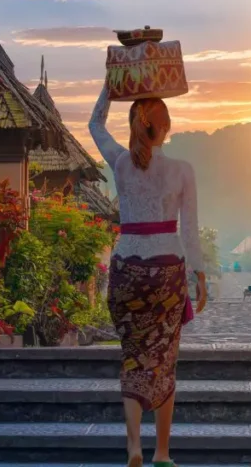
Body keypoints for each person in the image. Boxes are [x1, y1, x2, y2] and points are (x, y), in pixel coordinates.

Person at [89, 84, 207, 467]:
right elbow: (189, 229)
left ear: (135, 126)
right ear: (166, 126)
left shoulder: (121, 162)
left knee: (134, 357)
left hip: (127, 269)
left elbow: (95, 125)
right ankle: (162, 452)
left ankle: (133, 447)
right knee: (163, 359)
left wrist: (110, 87)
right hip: (168, 273)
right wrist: (200, 275)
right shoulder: (182, 170)